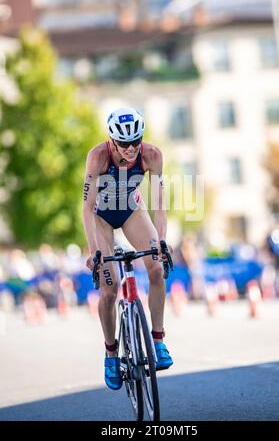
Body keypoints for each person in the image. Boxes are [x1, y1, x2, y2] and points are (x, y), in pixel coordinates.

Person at [82, 107, 173, 390]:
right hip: (102, 218)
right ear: (111, 141)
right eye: (124, 144)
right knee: (110, 289)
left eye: (137, 140)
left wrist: (160, 241)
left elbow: (159, 205)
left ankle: (157, 341)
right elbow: (86, 209)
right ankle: (111, 354)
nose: (132, 148)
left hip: (132, 211)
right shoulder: (97, 157)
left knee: (157, 269)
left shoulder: (152, 156)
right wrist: (93, 251)